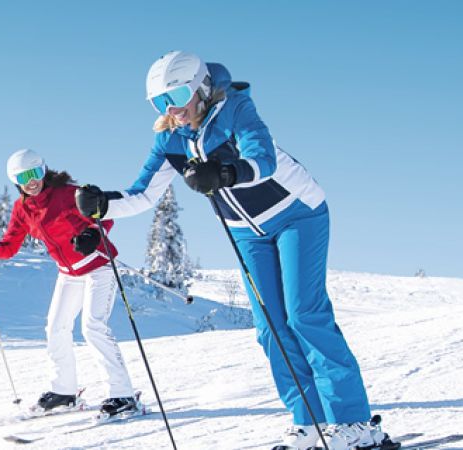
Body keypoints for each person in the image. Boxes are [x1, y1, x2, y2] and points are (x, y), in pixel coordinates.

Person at [75, 51, 392, 449]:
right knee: (269, 328)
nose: (171, 109)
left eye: (176, 95)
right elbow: (142, 195)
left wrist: (226, 173)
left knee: (304, 314)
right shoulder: (171, 140)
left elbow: (262, 158)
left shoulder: (235, 107)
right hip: (247, 233)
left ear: (202, 87)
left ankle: (355, 424)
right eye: (159, 102)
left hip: (297, 214)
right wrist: (103, 203)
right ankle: (307, 422)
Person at [0, 149, 141, 419]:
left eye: (35, 173)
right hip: (69, 274)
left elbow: (104, 212)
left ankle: (122, 394)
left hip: (98, 266)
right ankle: (64, 392)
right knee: (56, 327)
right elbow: (9, 246)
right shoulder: (22, 209)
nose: (31, 181)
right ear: (15, 181)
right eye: (24, 177)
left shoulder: (68, 193)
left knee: (93, 327)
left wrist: (92, 234)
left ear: (44, 171)